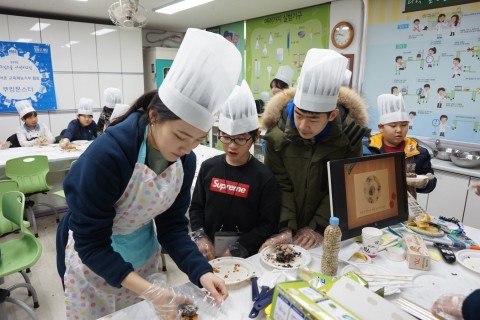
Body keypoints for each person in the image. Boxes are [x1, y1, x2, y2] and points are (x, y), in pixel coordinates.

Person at [55, 28, 242, 319]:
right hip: (94, 266)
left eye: (197, 139)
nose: (187, 147)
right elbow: (90, 243)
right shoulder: (108, 156)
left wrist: (201, 271)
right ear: (154, 117)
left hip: (143, 261)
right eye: (181, 136)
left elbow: (171, 228)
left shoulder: (184, 161)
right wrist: (150, 291)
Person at [260, 49, 369, 250]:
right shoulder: (278, 136)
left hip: (327, 227)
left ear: (332, 115)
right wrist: (285, 227)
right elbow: (280, 184)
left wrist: (318, 226)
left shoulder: (349, 139)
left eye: (313, 119)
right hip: (286, 223)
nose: (302, 126)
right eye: (299, 115)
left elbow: (341, 185)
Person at [189, 80, 281, 260]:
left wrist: (239, 248)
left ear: (255, 136)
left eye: (240, 139)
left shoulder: (263, 177)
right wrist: (201, 237)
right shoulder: (209, 168)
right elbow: (196, 208)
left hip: (246, 255)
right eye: (226, 137)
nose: (231, 145)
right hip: (209, 251)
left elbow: (268, 225)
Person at [364, 94, 437, 197]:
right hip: (376, 201)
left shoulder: (419, 153)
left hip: (406, 204)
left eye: (404, 125)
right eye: (393, 125)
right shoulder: (368, 149)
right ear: (381, 127)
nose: (399, 130)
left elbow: (430, 182)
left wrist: (426, 183)